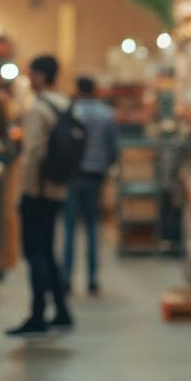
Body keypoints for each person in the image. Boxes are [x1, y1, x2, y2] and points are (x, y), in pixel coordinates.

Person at [7, 54, 74, 337]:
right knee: (48, 250)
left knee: (35, 253)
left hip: (38, 192)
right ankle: (61, 310)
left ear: (42, 76)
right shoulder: (64, 104)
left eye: (31, 74)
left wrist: (25, 192)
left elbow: (33, 154)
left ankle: (37, 314)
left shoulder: (37, 109)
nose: (28, 79)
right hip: (58, 189)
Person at [64, 76, 119, 295]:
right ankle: (92, 279)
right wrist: (105, 164)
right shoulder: (106, 113)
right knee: (92, 227)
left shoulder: (71, 112)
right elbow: (113, 148)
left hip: (72, 174)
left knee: (69, 228)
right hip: (95, 175)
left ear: (77, 90)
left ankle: (66, 279)